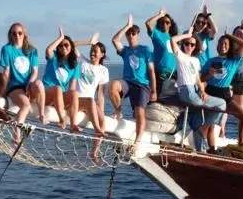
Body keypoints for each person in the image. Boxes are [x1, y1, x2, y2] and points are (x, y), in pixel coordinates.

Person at [171, 27, 226, 153]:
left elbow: (197, 78)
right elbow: (172, 40)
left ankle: (201, 149)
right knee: (219, 105)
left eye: (192, 44)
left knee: (203, 117)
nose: (189, 46)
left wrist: (202, 91)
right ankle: (204, 128)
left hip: (194, 91)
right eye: (187, 44)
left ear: (195, 46)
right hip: (186, 91)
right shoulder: (180, 56)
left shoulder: (195, 60)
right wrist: (187, 35)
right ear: (183, 44)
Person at [108, 15, 156, 151]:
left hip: (142, 85)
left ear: (138, 35)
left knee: (139, 111)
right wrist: (127, 26)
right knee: (112, 86)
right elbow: (115, 40)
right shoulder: (125, 51)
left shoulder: (145, 50)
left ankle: (138, 140)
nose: (130, 36)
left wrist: (154, 90)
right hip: (128, 83)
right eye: (129, 34)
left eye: (133, 33)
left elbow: (151, 71)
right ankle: (118, 111)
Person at [202, 33, 243, 145]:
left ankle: (241, 141)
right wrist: (209, 74)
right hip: (211, 92)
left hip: (225, 94)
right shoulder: (210, 61)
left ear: (229, 46)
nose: (223, 45)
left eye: (226, 43)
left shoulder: (234, 60)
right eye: (221, 43)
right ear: (217, 46)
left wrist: (228, 35)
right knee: (210, 125)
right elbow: (201, 78)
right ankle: (209, 149)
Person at [0, 22, 44, 128]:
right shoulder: (7, 49)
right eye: (14, 33)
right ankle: (17, 134)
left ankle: (42, 114)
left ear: (24, 34)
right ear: (10, 35)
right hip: (15, 86)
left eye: (20, 33)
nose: (17, 36)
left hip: (28, 84)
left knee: (39, 83)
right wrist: (1, 91)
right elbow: (6, 72)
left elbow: (34, 72)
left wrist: (28, 85)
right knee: (26, 105)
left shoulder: (32, 51)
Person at [41, 27, 81, 130]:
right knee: (57, 88)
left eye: (66, 45)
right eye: (60, 45)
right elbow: (48, 50)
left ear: (71, 46)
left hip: (60, 96)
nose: (63, 47)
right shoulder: (53, 57)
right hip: (46, 93)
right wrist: (60, 38)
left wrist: (71, 99)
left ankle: (73, 124)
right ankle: (61, 119)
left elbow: (72, 87)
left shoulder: (75, 65)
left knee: (74, 93)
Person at [70, 32, 108, 136]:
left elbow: (100, 95)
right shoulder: (82, 61)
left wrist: (101, 112)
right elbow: (70, 44)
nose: (92, 53)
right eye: (91, 50)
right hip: (77, 101)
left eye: (95, 51)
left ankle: (94, 152)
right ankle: (98, 130)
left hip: (89, 104)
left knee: (103, 121)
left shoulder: (103, 70)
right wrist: (89, 42)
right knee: (91, 101)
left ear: (102, 54)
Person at [145, 8, 179, 96]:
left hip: (173, 73)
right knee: (159, 96)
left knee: (172, 97)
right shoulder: (157, 34)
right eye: (162, 22)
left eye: (167, 22)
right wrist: (160, 15)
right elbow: (148, 23)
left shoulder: (174, 38)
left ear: (171, 24)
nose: (165, 24)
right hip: (161, 72)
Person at [191, 5, 218, 70]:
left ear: (206, 25)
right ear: (194, 23)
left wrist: (207, 15)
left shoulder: (206, 35)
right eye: (198, 22)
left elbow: (215, 30)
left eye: (203, 23)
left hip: (204, 68)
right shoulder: (188, 33)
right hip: (192, 67)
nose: (200, 24)